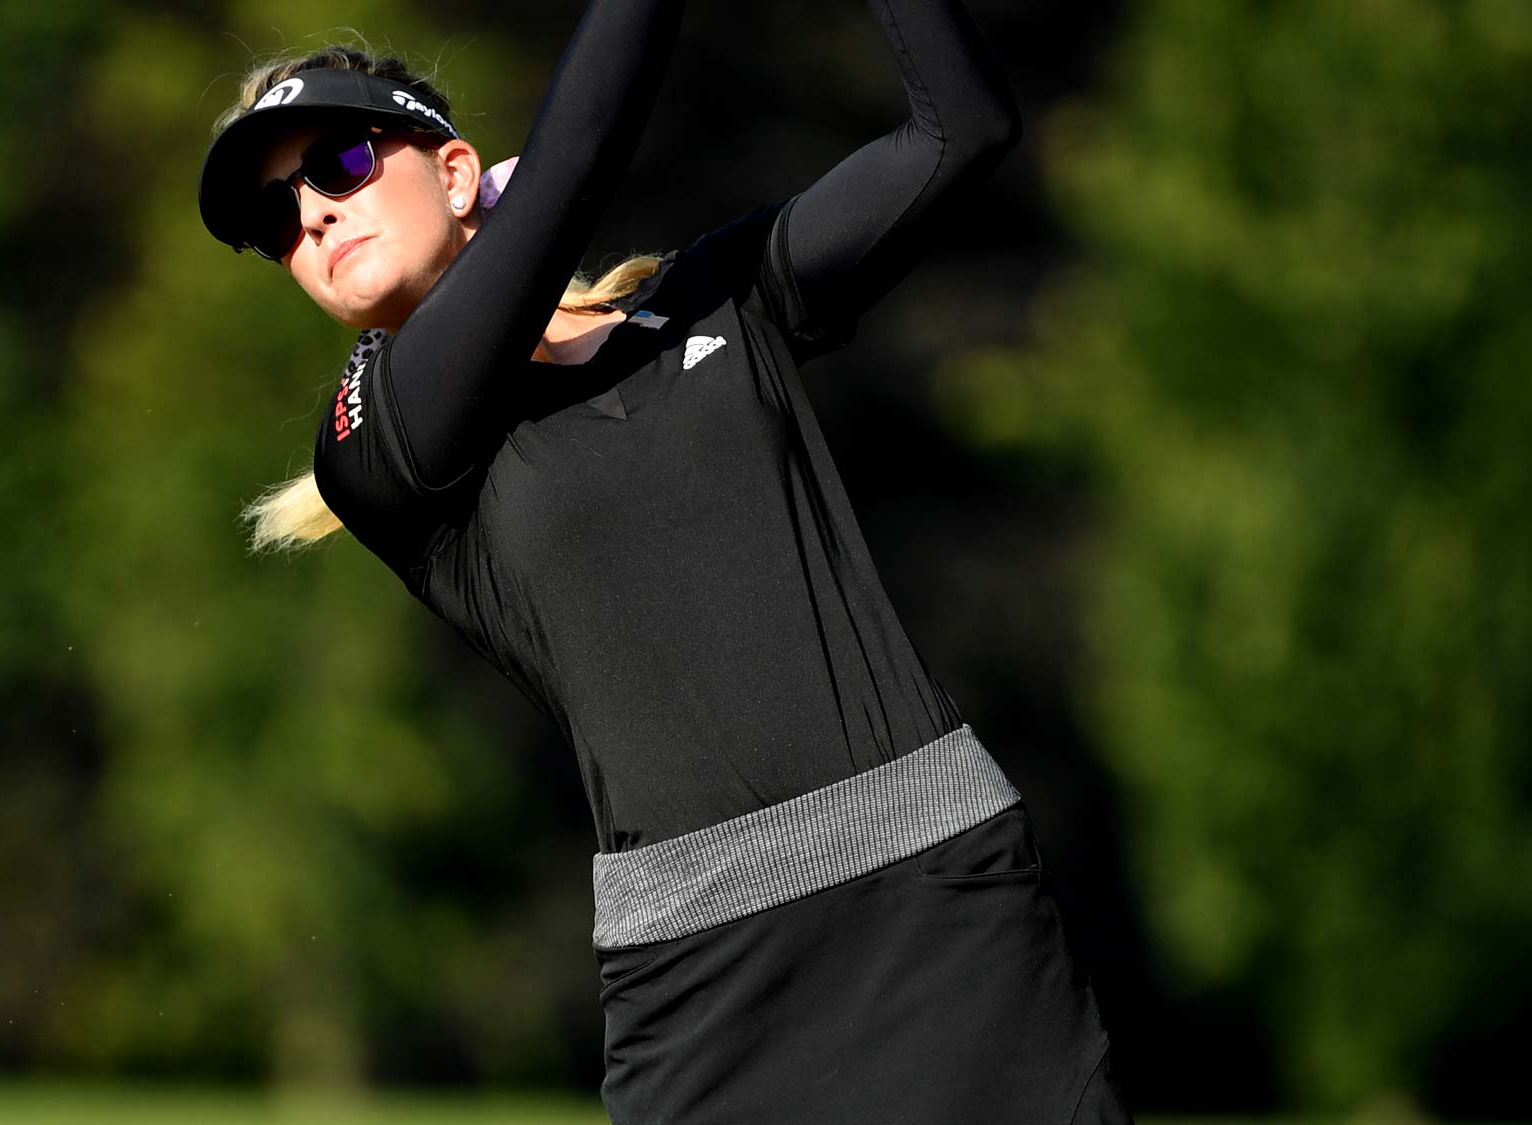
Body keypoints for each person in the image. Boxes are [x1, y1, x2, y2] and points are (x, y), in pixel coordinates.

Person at [200, 0, 1133, 1119]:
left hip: (943, 910)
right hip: (702, 987)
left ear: (452, 173)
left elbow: (958, 133)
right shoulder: (378, 438)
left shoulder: (713, 301)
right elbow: (571, 167)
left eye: (340, 163)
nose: (308, 214)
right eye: (273, 215)